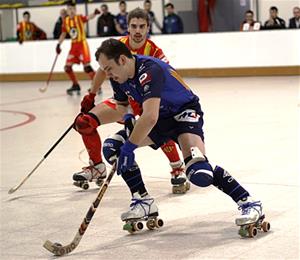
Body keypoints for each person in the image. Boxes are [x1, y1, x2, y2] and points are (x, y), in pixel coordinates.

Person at [97, 38, 265, 229]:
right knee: (113, 148)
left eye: (108, 68)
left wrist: (130, 146)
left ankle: (249, 203)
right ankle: (142, 201)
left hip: (183, 113)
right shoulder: (119, 78)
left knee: (199, 170)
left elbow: (150, 117)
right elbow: (122, 105)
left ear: (122, 60)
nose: (107, 74)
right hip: (160, 119)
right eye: (104, 70)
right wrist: (127, 119)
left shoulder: (150, 69)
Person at [72, 8, 188, 194]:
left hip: (144, 102)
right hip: (123, 102)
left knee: (156, 124)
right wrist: (91, 95)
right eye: (133, 26)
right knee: (84, 122)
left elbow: (167, 78)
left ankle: (177, 167)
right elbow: (103, 70)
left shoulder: (155, 52)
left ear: (148, 28)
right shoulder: (119, 46)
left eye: (142, 26)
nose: (137, 31)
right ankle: (97, 167)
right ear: (128, 27)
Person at [56, 2, 100, 95]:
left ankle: (97, 86)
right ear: (67, 11)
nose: (71, 11)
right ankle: (75, 85)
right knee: (67, 67)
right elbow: (63, 33)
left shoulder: (79, 18)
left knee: (87, 67)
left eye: (72, 9)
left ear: (75, 10)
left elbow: (88, 17)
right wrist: (58, 44)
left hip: (82, 44)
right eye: (69, 9)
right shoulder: (66, 21)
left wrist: (94, 13)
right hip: (73, 46)